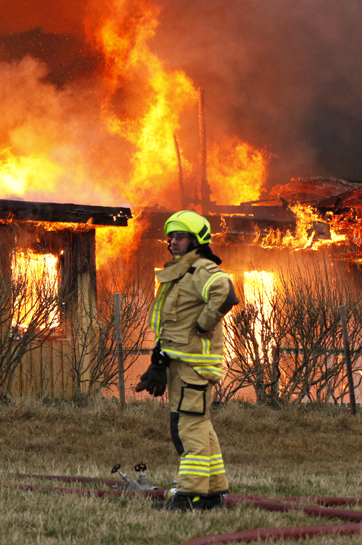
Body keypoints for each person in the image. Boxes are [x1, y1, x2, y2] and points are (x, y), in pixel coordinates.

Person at [136, 210, 240, 511]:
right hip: (183, 363)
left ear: (196, 241)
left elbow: (225, 291)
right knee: (201, 426)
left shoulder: (201, 271)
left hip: (193, 366)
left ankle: (190, 495)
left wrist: (206, 321)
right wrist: (158, 362)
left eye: (179, 236)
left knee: (187, 429)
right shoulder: (182, 273)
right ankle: (212, 492)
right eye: (170, 236)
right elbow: (173, 324)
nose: (172, 242)